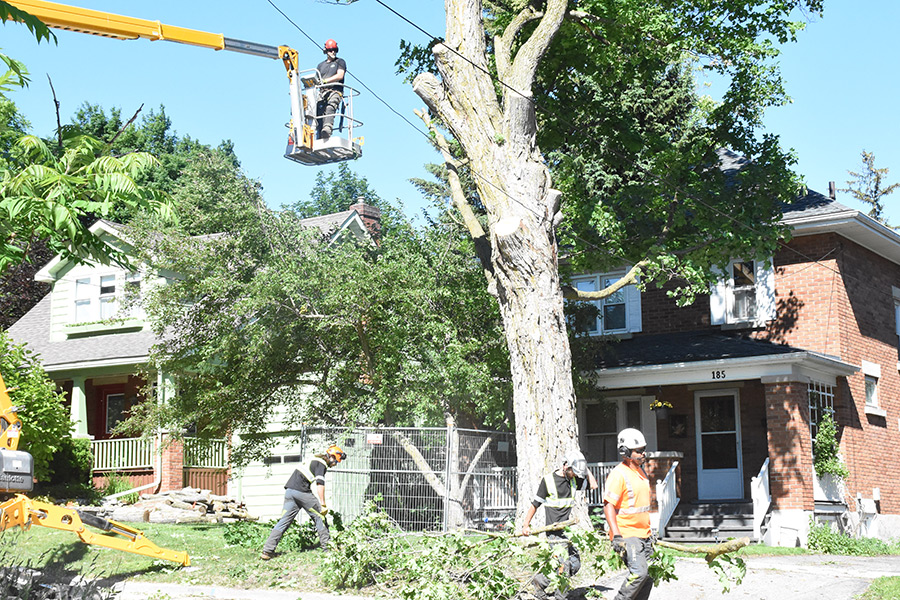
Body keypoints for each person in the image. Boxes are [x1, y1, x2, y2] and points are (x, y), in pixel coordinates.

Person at [520, 450, 598, 600]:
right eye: (573, 471)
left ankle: (540, 581)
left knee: (575, 564)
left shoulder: (573, 480)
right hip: (553, 533)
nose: (575, 475)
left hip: (566, 532)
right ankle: (561, 596)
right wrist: (525, 525)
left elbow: (594, 485)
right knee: (564, 565)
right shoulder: (548, 481)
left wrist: (584, 467)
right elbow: (535, 504)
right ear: (565, 466)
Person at [260, 444, 346, 559]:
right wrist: (323, 504)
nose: (335, 464)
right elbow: (320, 484)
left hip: (290, 491)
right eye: (336, 461)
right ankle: (328, 549)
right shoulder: (321, 463)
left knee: (284, 521)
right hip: (301, 492)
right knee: (320, 516)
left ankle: (267, 551)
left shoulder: (313, 459)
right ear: (332, 457)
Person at [603, 428, 653, 600]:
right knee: (639, 573)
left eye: (643, 449)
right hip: (627, 533)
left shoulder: (640, 472)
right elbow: (608, 506)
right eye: (638, 451)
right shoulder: (618, 474)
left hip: (644, 534)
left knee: (649, 575)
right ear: (625, 452)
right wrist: (616, 535)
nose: (643, 453)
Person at [316, 39, 346, 139]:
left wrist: (326, 81)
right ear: (326, 51)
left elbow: (340, 75)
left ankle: (327, 129)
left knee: (330, 106)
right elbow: (316, 79)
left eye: (335, 50)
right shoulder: (321, 65)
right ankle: (318, 133)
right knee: (317, 110)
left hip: (335, 91)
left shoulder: (340, 62)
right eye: (330, 50)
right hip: (322, 92)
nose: (333, 52)